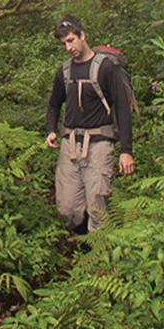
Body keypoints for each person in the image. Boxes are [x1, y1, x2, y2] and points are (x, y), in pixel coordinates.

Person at [45, 15, 135, 233]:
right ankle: (82, 236)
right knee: (67, 208)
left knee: (97, 206)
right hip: (70, 144)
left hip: (99, 144)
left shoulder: (105, 68)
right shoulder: (64, 72)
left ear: (82, 35)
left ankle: (98, 255)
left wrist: (126, 150)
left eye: (71, 40)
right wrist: (50, 130)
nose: (69, 47)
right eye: (64, 43)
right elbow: (54, 104)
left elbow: (122, 108)